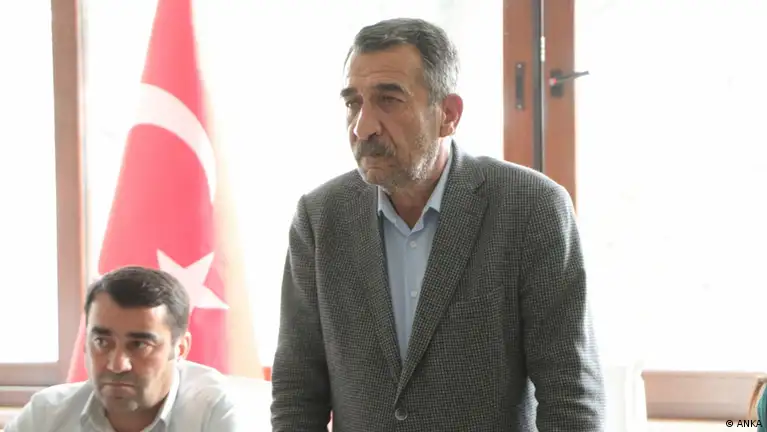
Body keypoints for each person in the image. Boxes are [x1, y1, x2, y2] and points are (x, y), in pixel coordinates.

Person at [271, 17, 605, 431]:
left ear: (448, 114)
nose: (363, 126)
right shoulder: (319, 218)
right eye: (353, 103)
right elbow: (296, 393)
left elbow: (571, 395)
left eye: (389, 100)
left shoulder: (531, 207)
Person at [5, 267, 241, 432]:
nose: (117, 365)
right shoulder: (47, 413)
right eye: (102, 342)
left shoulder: (214, 412)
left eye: (139, 345)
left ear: (180, 348)